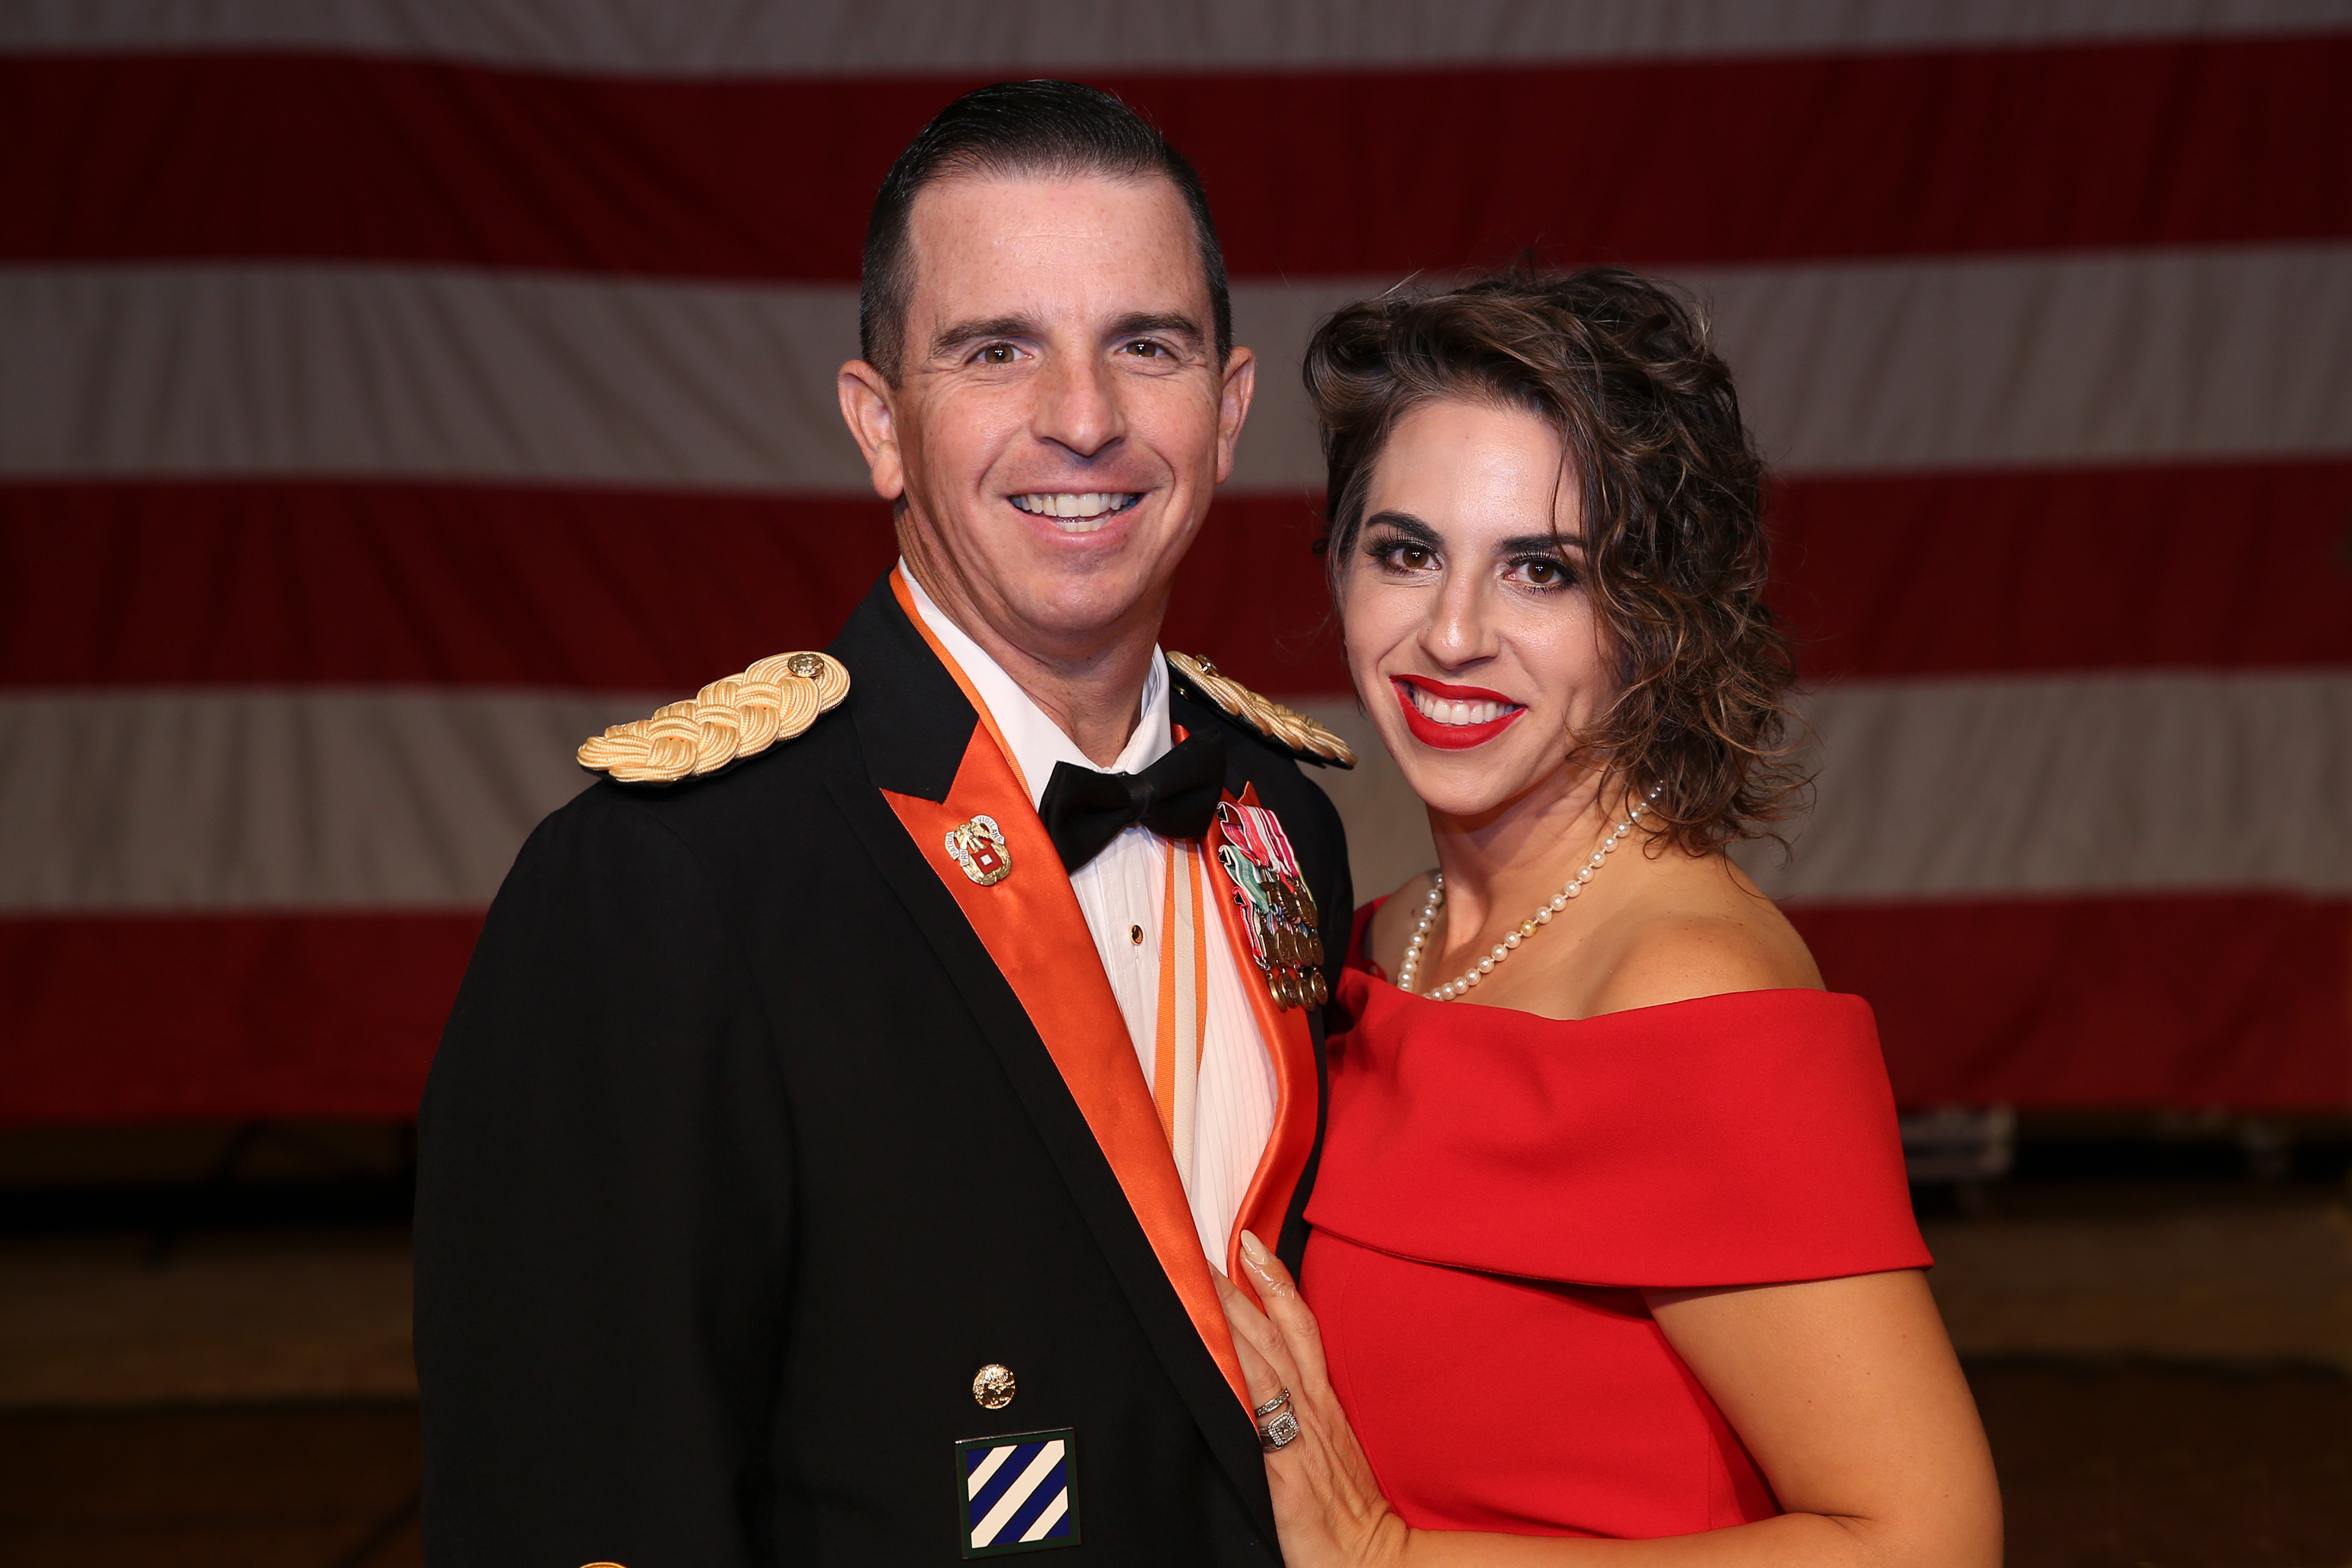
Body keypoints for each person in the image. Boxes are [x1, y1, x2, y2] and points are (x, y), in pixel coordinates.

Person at [413, 81, 1353, 1565]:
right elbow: (575, 1487)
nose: (1085, 419)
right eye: (997, 350)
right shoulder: (669, 879)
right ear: (881, 424)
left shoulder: (1280, 813)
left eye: (1145, 347)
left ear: (1228, 411)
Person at [1214, 271, 2003, 1566]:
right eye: (1406, 551)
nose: (1452, 632)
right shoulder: (1374, 944)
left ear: (1658, 618)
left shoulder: (1690, 989)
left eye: (1542, 570)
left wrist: (1391, 1558)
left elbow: (1924, 1541)